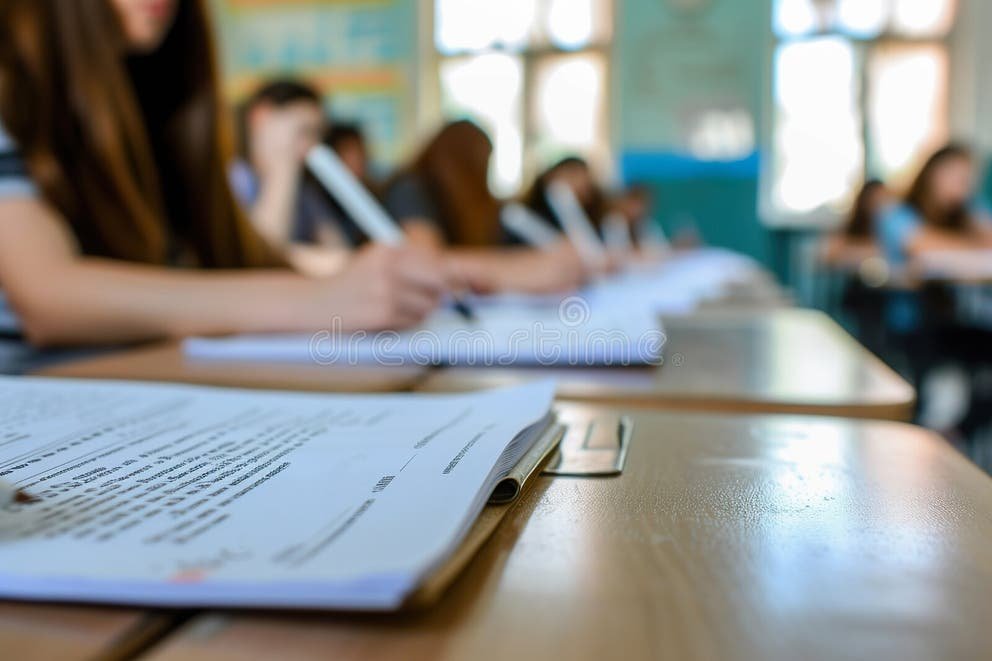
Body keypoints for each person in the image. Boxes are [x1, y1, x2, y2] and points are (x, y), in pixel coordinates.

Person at [0, 0, 447, 348]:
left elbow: (233, 257)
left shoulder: (160, 101)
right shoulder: (14, 88)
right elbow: (48, 297)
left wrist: (404, 277)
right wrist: (315, 301)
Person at [232, 79, 361, 275]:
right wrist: (283, 166)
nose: (310, 147)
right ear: (261, 116)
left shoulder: (305, 193)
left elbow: (340, 251)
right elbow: (261, 258)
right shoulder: (235, 180)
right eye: (303, 131)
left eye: (317, 135)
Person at [383, 120, 502, 249]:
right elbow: (423, 252)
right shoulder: (410, 190)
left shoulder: (470, 203)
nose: (484, 172)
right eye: (483, 162)